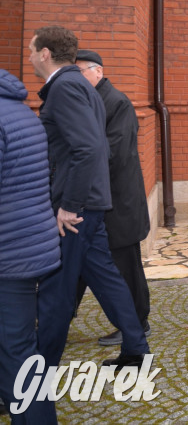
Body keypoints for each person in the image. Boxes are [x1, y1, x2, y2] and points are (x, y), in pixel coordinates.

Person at [30, 26, 150, 370]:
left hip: (78, 208)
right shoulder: (78, 84)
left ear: (45, 53)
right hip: (91, 205)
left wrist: (70, 205)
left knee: (56, 290)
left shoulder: (66, 87)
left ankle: (33, 378)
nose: (28, 56)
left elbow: (89, 148)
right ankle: (136, 351)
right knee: (104, 277)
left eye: (31, 50)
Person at [73, 50, 153, 348]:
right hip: (93, 201)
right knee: (77, 263)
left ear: (98, 71)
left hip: (118, 204)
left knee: (125, 266)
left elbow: (114, 154)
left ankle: (136, 321)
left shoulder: (116, 102)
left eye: (81, 71)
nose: (77, 77)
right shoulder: (89, 101)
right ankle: (56, 317)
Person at [0, 68, 60, 424]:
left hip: (8, 254)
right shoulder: (21, 110)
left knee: (17, 351)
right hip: (25, 247)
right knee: (17, 347)